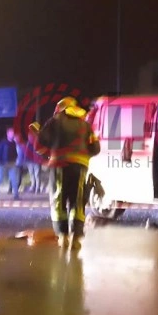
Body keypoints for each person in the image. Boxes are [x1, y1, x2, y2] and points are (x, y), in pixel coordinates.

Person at [36, 97, 100, 250]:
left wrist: (44, 142)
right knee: (77, 201)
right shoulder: (85, 124)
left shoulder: (55, 121)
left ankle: (63, 236)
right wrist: (83, 155)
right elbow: (96, 148)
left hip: (59, 164)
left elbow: (41, 143)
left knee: (58, 199)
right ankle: (75, 238)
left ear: (61, 108)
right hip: (80, 166)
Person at [0, 127, 22, 200]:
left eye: (13, 133)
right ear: (7, 134)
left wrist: (15, 159)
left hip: (11, 164)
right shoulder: (3, 142)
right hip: (2, 164)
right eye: (11, 133)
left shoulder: (13, 143)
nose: (12, 134)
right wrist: (0, 162)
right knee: (0, 178)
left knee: (14, 179)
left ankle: (16, 195)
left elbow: (15, 153)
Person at [22, 122, 43, 193]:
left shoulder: (38, 138)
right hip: (30, 160)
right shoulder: (31, 137)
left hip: (36, 160)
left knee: (36, 174)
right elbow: (27, 150)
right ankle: (34, 186)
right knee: (33, 174)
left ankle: (37, 187)